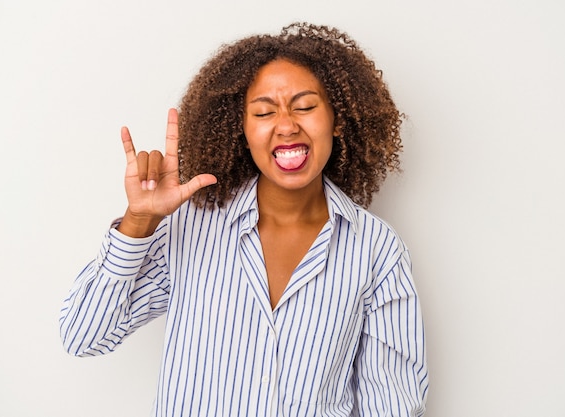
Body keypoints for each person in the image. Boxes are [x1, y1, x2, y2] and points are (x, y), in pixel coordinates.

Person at [60, 22, 428, 417]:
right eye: (264, 112)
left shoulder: (376, 249)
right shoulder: (192, 226)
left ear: (337, 119)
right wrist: (137, 223)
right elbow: (83, 335)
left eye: (305, 106)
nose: (286, 125)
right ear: (243, 128)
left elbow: (392, 404)